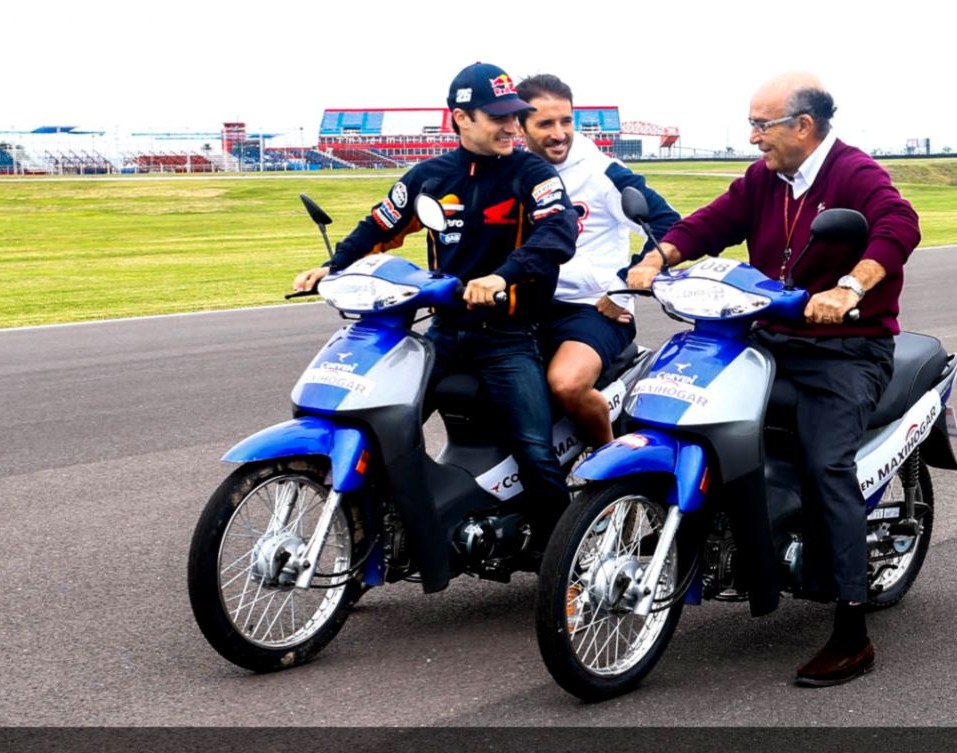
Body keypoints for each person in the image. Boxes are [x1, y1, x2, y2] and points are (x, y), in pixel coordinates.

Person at [626, 71, 921, 687]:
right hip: (769, 338)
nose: (754, 137)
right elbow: (710, 223)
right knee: (688, 405)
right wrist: (657, 257)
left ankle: (851, 631)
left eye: (762, 125)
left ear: (802, 126)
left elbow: (899, 225)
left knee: (826, 464)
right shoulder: (765, 179)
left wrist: (848, 288)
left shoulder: (853, 173)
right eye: (753, 124)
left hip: (844, 349)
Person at [293, 62, 579, 528]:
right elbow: (379, 225)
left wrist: (502, 277)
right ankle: (385, 534)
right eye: (498, 117)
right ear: (460, 118)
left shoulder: (533, 173)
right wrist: (334, 266)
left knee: (534, 451)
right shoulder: (428, 176)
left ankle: (563, 555)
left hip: (508, 337)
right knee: (376, 421)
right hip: (443, 333)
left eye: (515, 115)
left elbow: (558, 233)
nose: (512, 126)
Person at [515, 73, 679, 448]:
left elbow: (668, 224)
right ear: (520, 127)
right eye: (545, 124)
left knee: (567, 384)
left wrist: (623, 286)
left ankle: (608, 461)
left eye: (566, 121)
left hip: (594, 306)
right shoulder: (512, 171)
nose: (559, 134)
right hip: (531, 303)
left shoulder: (602, 171)